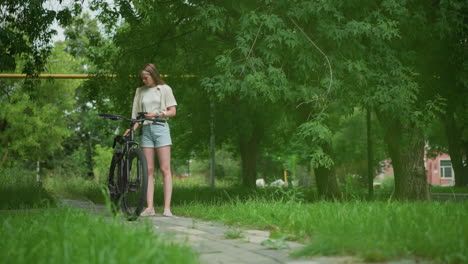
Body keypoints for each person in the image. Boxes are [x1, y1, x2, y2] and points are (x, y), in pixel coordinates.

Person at [124, 63, 177, 217]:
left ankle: (167, 208)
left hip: (161, 128)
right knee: (149, 170)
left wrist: (157, 114)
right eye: (142, 78)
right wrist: (131, 129)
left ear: (153, 75)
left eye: (145, 78)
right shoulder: (140, 92)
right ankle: (150, 207)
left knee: (165, 169)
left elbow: (172, 111)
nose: (143, 81)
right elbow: (137, 117)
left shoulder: (165, 89)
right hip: (146, 130)